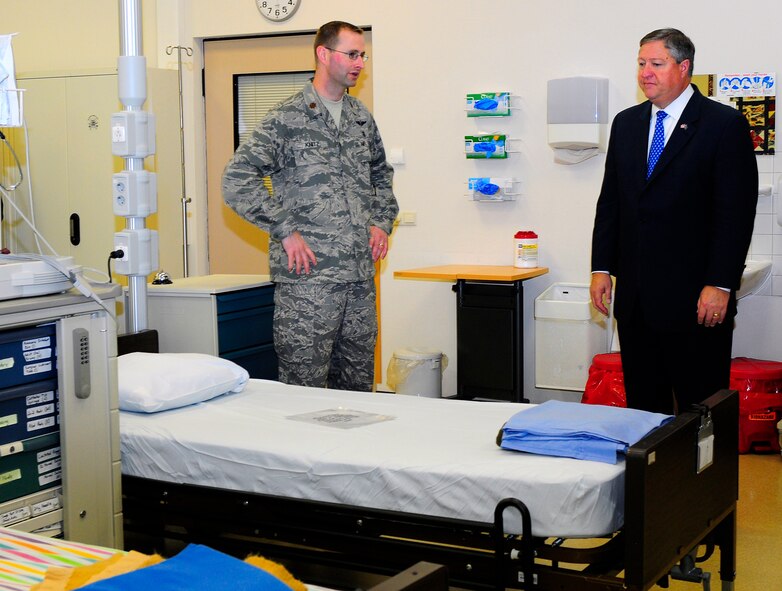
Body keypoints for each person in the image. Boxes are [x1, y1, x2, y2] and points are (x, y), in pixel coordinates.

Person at [222, 21, 398, 391]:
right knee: (304, 389)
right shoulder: (287, 117)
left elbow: (381, 175)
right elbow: (237, 179)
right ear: (323, 54)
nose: (360, 63)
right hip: (308, 283)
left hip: (359, 279)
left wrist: (382, 222)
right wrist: (284, 230)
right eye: (352, 54)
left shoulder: (360, 118)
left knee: (358, 387)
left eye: (362, 55)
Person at [590, 28, 758, 415]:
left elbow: (735, 213)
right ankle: (647, 479)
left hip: (694, 301)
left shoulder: (722, 125)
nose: (645, 72)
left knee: (701, 411)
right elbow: (611, 202)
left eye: (656, 64)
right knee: (643, 410)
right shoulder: (626, 124)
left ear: (684, 68)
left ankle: (703, 479)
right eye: (641, 64)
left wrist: (720, 283)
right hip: (636, 302)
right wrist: (601, 267)